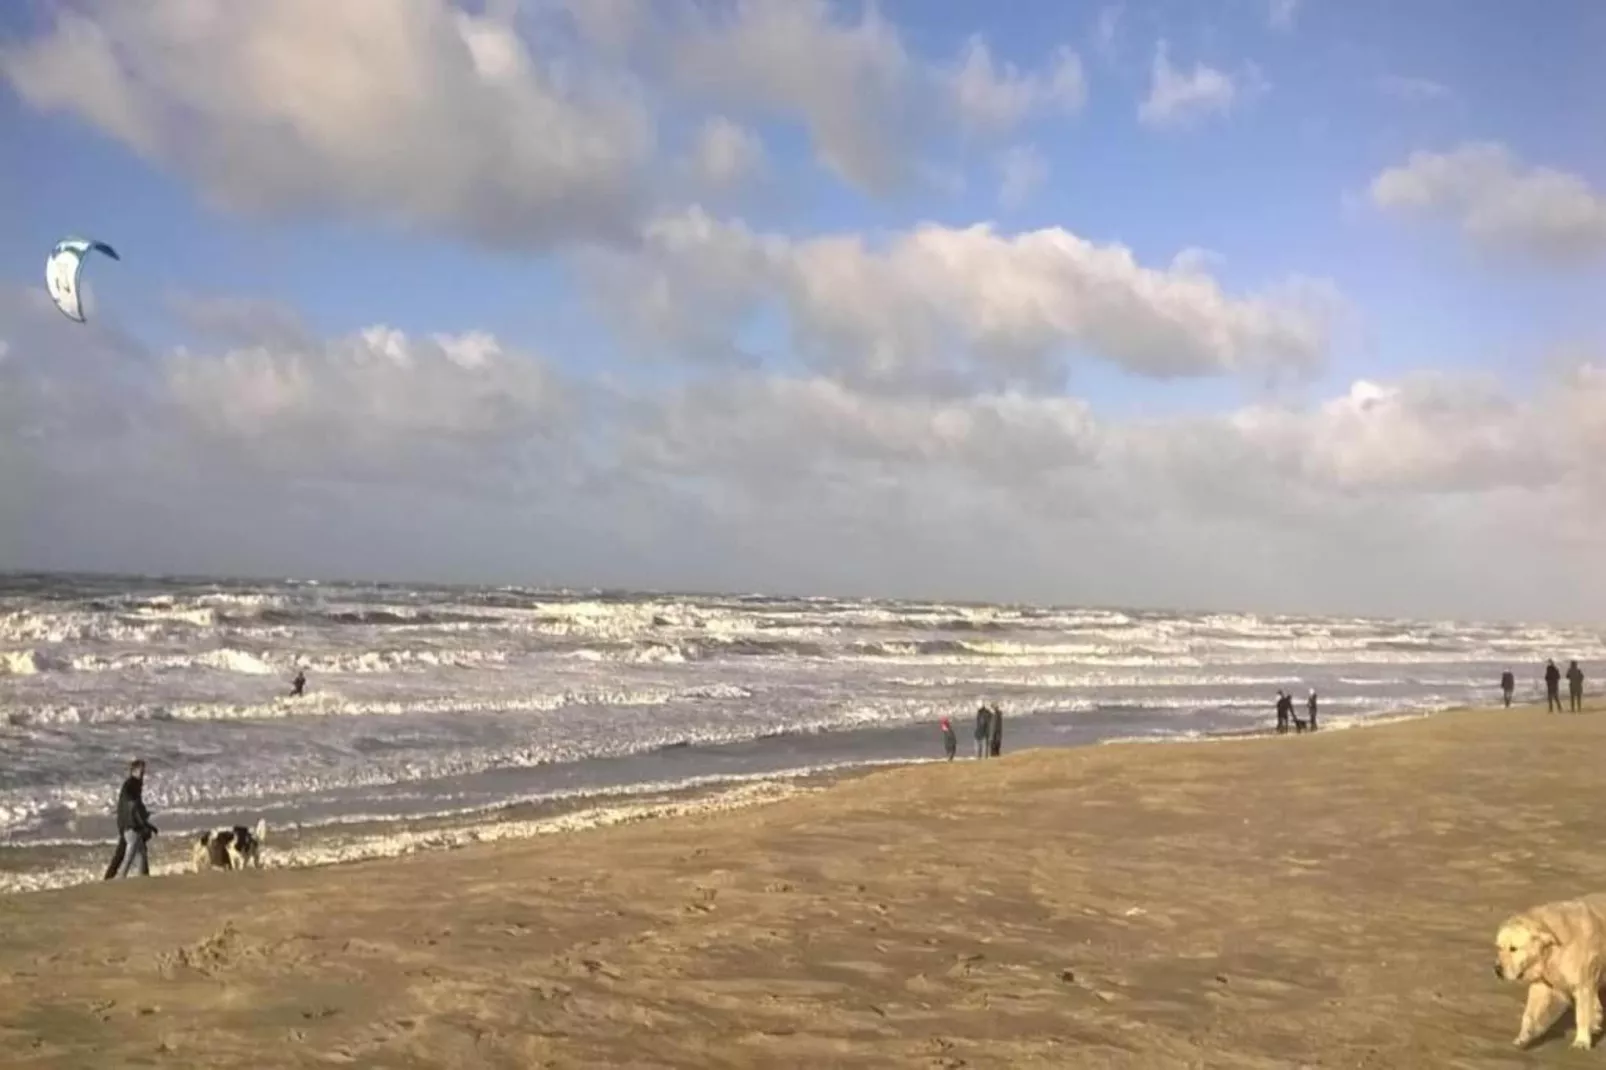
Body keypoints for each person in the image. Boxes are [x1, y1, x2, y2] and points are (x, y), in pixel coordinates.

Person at [108, 759, 157, 879]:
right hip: (130, 825)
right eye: (141, 770)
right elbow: (133, 804)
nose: (143, 773)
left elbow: (133, 804)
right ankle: (119, 878)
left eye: (144, 770)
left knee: (134, 852)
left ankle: (143, 876)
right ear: (133, 771)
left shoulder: (132, 784)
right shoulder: (132, 783)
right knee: (128, 854)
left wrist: (145, 821)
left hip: (127, 823)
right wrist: (143, 822)